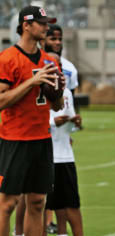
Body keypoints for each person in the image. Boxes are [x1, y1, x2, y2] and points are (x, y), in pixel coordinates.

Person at [0, 5, 64, 236]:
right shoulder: (8, 58)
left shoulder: (49, 61)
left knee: (37, 202)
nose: (46, 27)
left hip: (42, 138)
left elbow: (56, 107)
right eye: (42, 23)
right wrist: (31, 83)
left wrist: (58, 94)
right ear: (26, 25)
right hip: (14, 139)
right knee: (7, 204)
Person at [45, 70, 83, 236]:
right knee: (40, 205)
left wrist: (75, 123)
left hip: (66, 156)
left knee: (70, 204)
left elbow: (70, 125)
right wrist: (54, 122)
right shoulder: (34, 88)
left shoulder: (65, 91)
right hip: (45, 156)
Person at [44, 24, 79, 95]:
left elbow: (71, 96)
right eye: (53, 39)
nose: (58, 42)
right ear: (42, 41)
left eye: (60, 39)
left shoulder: (70, 67)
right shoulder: (36, 62)